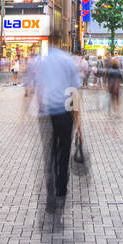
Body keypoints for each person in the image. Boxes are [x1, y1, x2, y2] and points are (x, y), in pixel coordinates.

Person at [30, 44, 81, 210]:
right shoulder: (68, 61)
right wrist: (78, 121)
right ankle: (61, 186)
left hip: (48, 111)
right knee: (64, 149)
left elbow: (40, 88)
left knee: (50, 150)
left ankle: (50, 180)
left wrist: (40, 108)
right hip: (65, 111)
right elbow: (74, 91)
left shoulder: (44, 62)